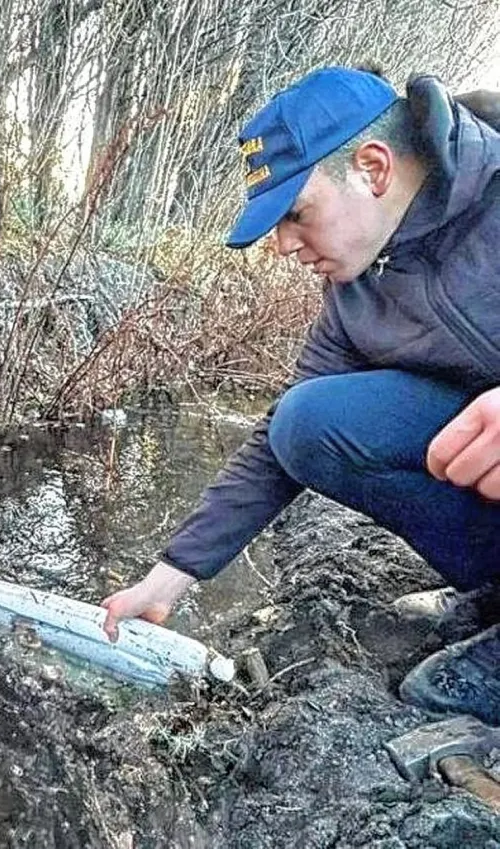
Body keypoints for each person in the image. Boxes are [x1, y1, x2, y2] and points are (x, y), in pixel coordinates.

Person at [101, 67, 500, 725]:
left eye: (295, 215)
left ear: (372, 168)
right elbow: (276, 444)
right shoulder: (356, 293)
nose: (284, 245)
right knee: (304, 423)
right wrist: (170, 574)